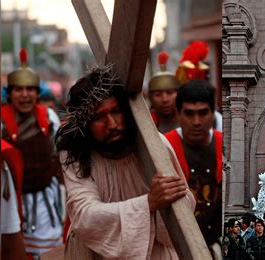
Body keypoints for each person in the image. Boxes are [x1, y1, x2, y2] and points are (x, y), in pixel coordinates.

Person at [56, 66, 195, 259]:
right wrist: (148, 203)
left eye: (116, 111)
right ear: (85, 124)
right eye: (98, 117)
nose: (112, 124)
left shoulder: (156, 145)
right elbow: (85, 216)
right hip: (93, 253)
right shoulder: (75, 154)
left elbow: (183, 205)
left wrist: (163, 201)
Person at [1, 48, 63, 257]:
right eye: (18, 89)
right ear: (10, 93)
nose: (25, 95)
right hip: (11, 201)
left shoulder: (50, 117)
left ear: (37, 93)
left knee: (48, 252)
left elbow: (60, 157)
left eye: (30, 89)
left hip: (45, 197)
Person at [164, 79, 222, 249]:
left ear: (213, 113)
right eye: (189, 113)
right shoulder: (163, 147)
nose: (196, 122)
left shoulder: (223, 143)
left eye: (203, 113)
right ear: (178, 114)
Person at [148, 51, 181, 133]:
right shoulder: (147, 124)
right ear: (150, 97)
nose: (165, 99)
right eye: (158, 94)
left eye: (170, 93)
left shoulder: (187, 123)